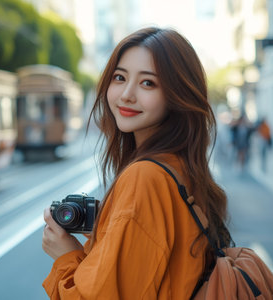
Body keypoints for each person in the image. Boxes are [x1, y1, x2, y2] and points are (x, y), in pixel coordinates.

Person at [41, 27, 232, 299]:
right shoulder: (181, 168)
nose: (126, 94)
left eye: (148, 83)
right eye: (120, 77)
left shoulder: (145, 177)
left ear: (178, 96)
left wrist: (66, 256)